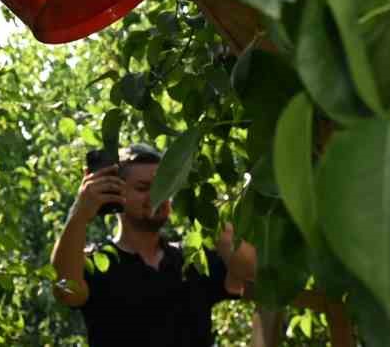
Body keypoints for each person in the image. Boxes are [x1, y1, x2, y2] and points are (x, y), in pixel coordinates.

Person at [51, 143, 257, 347]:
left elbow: (258, 280)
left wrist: (207, 214)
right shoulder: (98, 263)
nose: (156, 195)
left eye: (163, 186)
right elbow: (65, 290)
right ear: (115, 193)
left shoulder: (193, 260)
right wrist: (79, 213)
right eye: (143, 188)